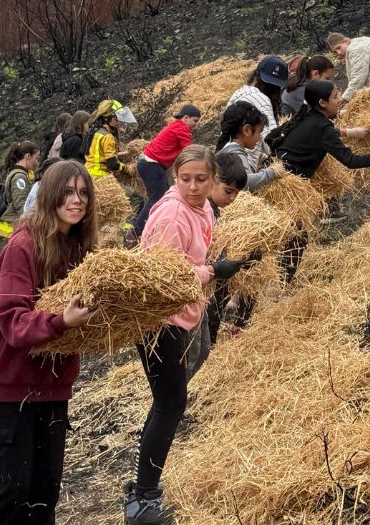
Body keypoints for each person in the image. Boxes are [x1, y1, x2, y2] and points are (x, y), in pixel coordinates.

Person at [124, 146, 255, 525]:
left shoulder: (202, 209)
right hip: (158, 319)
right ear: (175, 178)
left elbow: (197, 255)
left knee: (167, 402)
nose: (194, 186)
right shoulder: (171, 215)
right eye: (186, 179)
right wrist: (213, 271)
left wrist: (229, 261)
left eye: (201, 179)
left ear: (213, 180)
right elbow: (164, 275)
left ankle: (140, 487)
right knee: (170, 405)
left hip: (179, 315)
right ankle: (143, 500)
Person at [0, 160, 98, 524]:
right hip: (11, 384)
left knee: (43, 493)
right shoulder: (23, 246)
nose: (77, 200)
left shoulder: (79, 249)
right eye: (67, 192)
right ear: (50, 195)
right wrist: (61, 321)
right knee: (8, 491)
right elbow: (12, 320)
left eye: (83, 193)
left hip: (52, 385)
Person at [271, 80, 370, 281]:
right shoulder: (323, 128)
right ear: (322, 103)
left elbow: (278, 138)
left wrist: (349, 132)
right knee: (295, 238)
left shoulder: (307, 115)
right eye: (335, 97)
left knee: (288, 236)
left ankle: (274, 283)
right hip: (287, 188)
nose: (339, 100)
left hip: (276, 180)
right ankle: (279, 285)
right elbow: (351, 161)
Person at [131, 104, 201, 238]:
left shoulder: (176, 126)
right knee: (157, 198)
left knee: (165, 196)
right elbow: (190, 151)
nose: (196, 124)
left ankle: (151, 228)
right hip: (152, 164)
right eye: (195, 120)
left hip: (150, 163)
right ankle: (135, 233)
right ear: (186, 118)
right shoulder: (182, 128)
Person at [205, 152, 254, 340]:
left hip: (213, 281)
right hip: (205, 285)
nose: (232, 198)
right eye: (228, 191)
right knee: (209, 322)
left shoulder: (214, 209)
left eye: (237, 193)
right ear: (213, 180)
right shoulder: (205, 211)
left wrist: (243, 258)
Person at [224, 55, 289, 171]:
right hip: (244, 166)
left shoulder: (240, 92)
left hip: (228, 159)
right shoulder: (262, 99)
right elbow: (271, 141)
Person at [215, 101, 287, 192]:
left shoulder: (229, 149)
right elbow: (245, 182)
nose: (259, 137)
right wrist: (272, 172)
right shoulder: (235, 154)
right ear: (247, 130)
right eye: (259, 131)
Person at [0, 141, 40, 239]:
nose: (37, 162)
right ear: (28, 156)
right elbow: (21, 204)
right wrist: (32, 225)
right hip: (16, 226)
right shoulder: (19, 177)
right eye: (36, 158)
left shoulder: (21, 173)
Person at [84, 99, 137, 179]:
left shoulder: (94, 131)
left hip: (88, 173)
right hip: (100, 176)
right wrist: (127, 169)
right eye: (116, 119)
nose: (118, 122)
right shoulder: (107, 136)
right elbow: (113, 164)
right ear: (106, 118)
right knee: (127, 188)